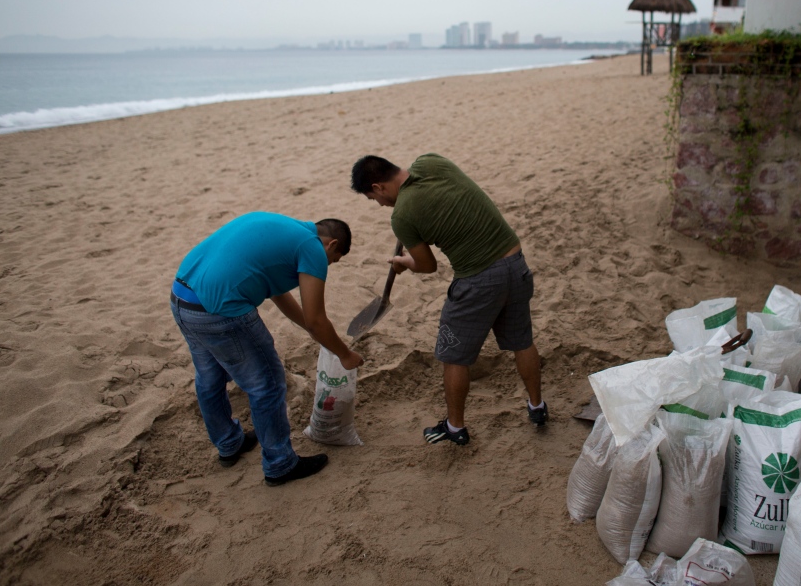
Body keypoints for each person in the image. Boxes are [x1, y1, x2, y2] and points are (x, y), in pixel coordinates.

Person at [350, 154, 546, 446]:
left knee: (453, 355)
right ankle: (537, 406)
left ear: (378, 187)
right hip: (516, 263)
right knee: (522, 341)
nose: (378, 205)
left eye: (372, 199)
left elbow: (428, 266)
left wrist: (403, 261)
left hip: (478, 279)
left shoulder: (402, 215)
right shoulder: (431, 162)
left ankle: (455, 427)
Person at [170, 212, 363, 486]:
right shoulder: (312, 247)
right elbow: (317, 319)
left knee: (210, 377)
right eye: (334, 260)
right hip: (221, 311)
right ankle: (280, 464)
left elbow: (278, 293)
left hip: (183, 299)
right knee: (268, 384)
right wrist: (344, 354)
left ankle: (229, 444)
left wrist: (312, 331)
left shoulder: (281, 229)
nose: (328, 265)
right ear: (331, 245)